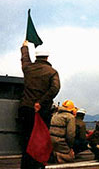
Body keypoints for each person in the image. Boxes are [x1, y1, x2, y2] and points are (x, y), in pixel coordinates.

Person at [18, 40, 60, 169]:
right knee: (40, 140)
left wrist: (24, 47)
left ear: (36, 56)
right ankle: (37, 165)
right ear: (47, 57)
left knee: (26, 140)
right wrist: (40, 102)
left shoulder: (28, 68)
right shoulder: (52, 72)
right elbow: (55, 88)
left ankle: (25, 166)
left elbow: (24, 59)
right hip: (41, 111)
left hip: (25, 108)